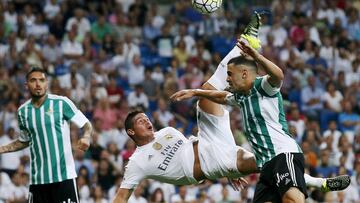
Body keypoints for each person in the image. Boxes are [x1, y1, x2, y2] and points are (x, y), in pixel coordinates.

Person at [170, 37, 350, 202]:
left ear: (244, 74)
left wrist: (256, 55)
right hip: (266, 165)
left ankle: (320, 184)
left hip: (282, 154)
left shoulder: (264, 86)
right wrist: (195, 92)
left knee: (293, 200)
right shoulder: (241, 97)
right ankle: (321, 184)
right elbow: (221, 96)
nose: (227, 79)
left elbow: (278, 75)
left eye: (230, 74)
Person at [0, 67, 93, 203]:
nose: (38, 84)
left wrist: (86, 136)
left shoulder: (61, 103)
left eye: (42, 80)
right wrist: (2, 149)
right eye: (33, 80)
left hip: (64, 178)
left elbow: (86, 124)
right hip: (38, 181)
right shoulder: (23, 112)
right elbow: (24, 140)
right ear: (27, 85)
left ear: (47, 83)